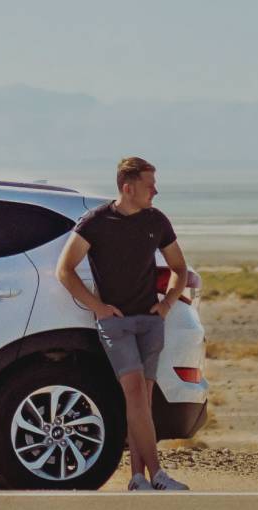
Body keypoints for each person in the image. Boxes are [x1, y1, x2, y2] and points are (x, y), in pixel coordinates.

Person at [55, 156, 191, 492]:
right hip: (116, 325)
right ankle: (157, 474)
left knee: (142, 399)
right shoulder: (95, 223)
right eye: (149, 185)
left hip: (150, 321)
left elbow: (179, 267)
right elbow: (65, 269)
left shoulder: (157, 221)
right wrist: (98, 307)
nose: (155, 191)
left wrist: (167, 304)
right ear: (128, 188)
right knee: (134, 394)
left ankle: (136, 478)